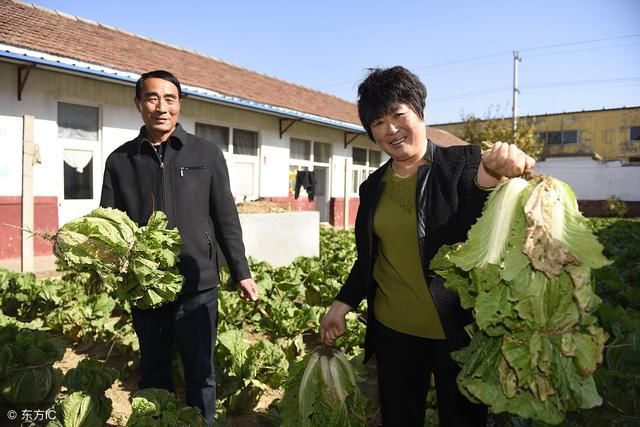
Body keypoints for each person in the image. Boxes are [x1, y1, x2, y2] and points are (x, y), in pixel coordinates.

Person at [320, 66, 535, 427]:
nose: (390, 129)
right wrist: (341, 305)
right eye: (378, 122)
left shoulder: (462, 163)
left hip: (457, 331)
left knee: (463, 420)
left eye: (398, 115)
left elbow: (476, 210)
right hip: (394, 332)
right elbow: (369, 259)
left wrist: (497, 170)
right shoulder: (373, 187)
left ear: (419, 112)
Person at [100, 69, 259, 425]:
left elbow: (225, 218)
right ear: (139, 103)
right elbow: (109, 225)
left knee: (201, 371)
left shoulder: (206, 153)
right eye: (153, 98)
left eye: (170, 99)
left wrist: (242, 272)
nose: (161, 107)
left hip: (199, 283)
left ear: (179, 104)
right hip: (147, 288)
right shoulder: (120, 161)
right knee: (153, 370)